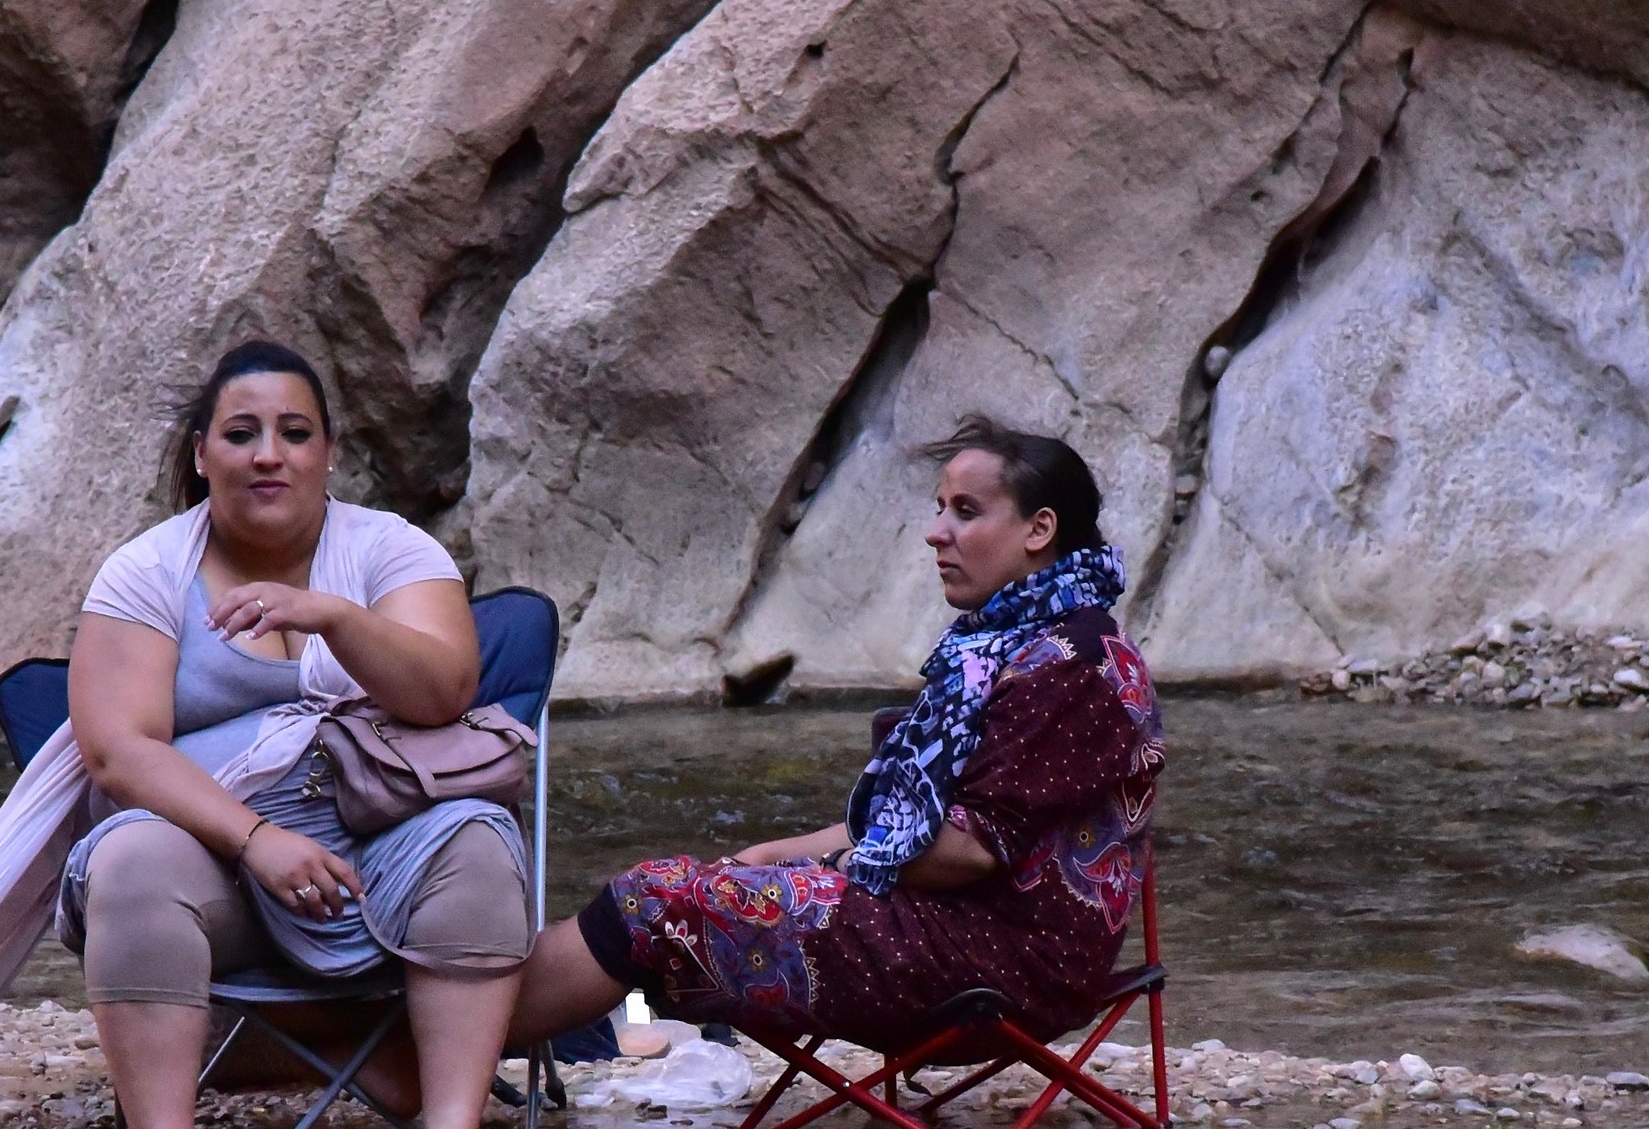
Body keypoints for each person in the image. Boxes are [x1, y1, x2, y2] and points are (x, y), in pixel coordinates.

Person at [494, 416, 1164, 1061]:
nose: (936, 533)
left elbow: (964, 851)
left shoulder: (1070, 664)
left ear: (1038, 529)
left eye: (965, 511)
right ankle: (501, 1034)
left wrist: (816, 866)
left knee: (653, 902)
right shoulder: (1015, 645)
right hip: (959, 930)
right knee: (690, 890)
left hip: (1002, 964)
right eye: (939, 509)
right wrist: (772, 854)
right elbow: (906, 833)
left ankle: (440, 1051)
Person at [61, 339, 531, 1129]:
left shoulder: (391, 549)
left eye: (293, 432)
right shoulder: (146, 571)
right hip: (214, 869)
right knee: (128, 860)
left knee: (477, 837)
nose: (268, 453)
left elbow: (445, 693)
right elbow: (117, 753)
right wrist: (256, 839)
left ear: (327, 454)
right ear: (202, 455)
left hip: (377, 855)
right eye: (242, 433)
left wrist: (334, 618)